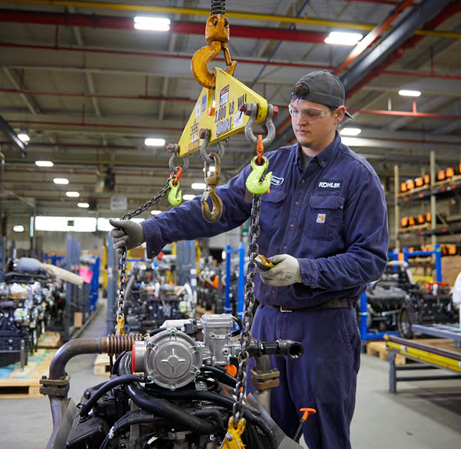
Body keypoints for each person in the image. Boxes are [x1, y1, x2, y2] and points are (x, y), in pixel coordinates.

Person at [110, 70, 389, 449]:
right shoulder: (269, 166)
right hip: (266, 323)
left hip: (323, 328)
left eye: (311, 113)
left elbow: (369, 260)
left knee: (327, 436)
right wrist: (152, 230)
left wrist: (303, 271)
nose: (299, 121)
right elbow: (216, 207)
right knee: (259, 431)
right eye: (294, 111)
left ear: (338, 115)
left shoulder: (358, 178)